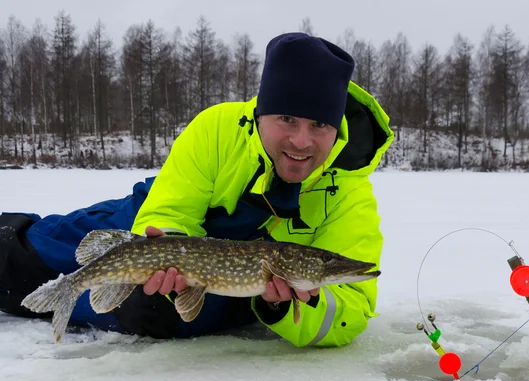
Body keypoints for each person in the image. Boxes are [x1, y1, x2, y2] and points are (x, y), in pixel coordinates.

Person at [0, 32, 394, 347]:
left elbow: (351, 311)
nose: (302, 141)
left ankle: (68, 301)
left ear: (336, 126)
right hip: (144, 224)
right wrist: (167, 241)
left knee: (149, 314)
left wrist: (290, 307)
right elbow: (168, 212)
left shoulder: (349, 195)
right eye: (287, 118)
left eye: (319, 125)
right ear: (261, 114)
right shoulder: (218, 128)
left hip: (226, 292)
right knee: (19, 255)